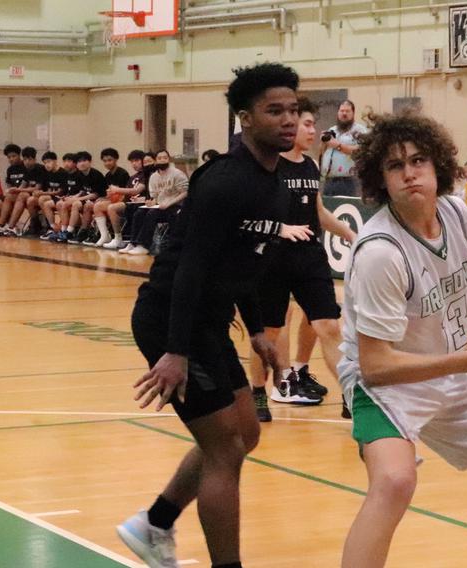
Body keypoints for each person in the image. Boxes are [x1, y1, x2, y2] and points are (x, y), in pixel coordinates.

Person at [337, 111, 467, 568]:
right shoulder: (379, 252)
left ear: (439, 167)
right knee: (394, 483)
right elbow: (377, 366)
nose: (410, 172)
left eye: (418, 160)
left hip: (452, 371)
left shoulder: (455, 213)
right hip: (387, 386)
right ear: (381, 178)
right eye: (395, 166)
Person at [116, 62, 305, 568]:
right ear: (245, 118)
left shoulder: (276, 182)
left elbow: (242, 263)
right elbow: (191, 270)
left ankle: (154, 522)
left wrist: (260, 332)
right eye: (275, 111)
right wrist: (175, 352)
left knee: (245, 434)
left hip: (209, 321)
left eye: (293, 109)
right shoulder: (224, 181)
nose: (289, 119)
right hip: (170, 318)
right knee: (224, 450)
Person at [246, 96, 357, 422]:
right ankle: (257, 392)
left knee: (329, 326)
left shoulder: (310, 165)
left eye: (312, 124)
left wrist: (351, 235)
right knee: (269, 332)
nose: (313, 131)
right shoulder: (267, 166)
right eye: (307, 125)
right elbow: (249, 215)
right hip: (272, 260)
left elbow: (319, 212)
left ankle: (351, 397)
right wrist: (280, 228)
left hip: (309, 258)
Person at [121, 150, 188, 256]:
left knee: (152, 214)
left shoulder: (177, 174)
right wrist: (151, 202)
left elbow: (185, 193)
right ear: (156, 160)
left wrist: (169, 203)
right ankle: (133, 243)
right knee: (139, 212)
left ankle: (144, 245)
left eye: (165, 158)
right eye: (160, 158)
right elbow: (155, 196)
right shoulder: (154, 177)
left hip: (175, 206)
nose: (162, 160)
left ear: (168, 159)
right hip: (160, 206)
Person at [320, 100, 367, 197]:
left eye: (347, 111)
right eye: (341, 111)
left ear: (353, 113)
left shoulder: (360, 131)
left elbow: (362, 151)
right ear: (338, 113)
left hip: (350, 181)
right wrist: (323, 142)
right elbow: (323, 152)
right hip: (329, 180)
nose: (344, 113)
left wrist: (338, 145)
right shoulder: (332, 130)